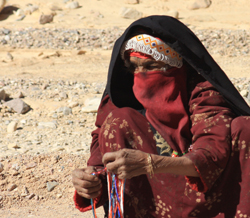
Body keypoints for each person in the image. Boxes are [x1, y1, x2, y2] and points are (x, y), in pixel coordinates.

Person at [72, 15, 250, 217]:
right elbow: (100, 166)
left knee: (244, 128)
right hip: (152, 201)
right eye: (133, 68)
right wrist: (88, 182)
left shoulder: (202, 93)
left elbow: (211, 152)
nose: (140, 76)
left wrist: (150, 163)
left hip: (212, 198)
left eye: (150, 67)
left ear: (176, 67)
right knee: (119, 119)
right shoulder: (121, 102)